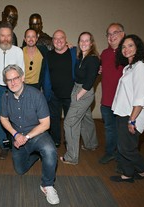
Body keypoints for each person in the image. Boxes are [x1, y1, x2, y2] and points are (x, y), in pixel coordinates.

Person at [0, 64, 60, 205]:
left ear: (23, 78)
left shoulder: (37, 95)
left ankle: (47, 185)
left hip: (37, 134)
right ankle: (35, 155)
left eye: (15, 78)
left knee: (50, 150)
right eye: (9, 80)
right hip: (17, 137)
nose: (13, 82)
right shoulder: (6, 96)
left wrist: (26, 137)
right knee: (20, 170)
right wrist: (15, 135)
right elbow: (3, 118)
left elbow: (46, 124)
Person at [99, 23, 144, 166]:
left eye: (115, 33)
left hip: (127, 107)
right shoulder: (105, 54)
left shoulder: (132, 57)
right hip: (108, 102)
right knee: (110, 130)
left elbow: (142, 68)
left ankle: (124, 160)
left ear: (123, 34)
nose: (112, 36)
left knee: (124, 138)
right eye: (109, 34)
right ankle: (111, 153)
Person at [110, 34, 144, 183]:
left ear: (137, 48)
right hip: (122, 113)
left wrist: (132, 120)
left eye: (130, 45)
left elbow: (141, 97)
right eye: (123, 46)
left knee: (127, 148)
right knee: (122, 146)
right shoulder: (129, 67)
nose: (126, 49)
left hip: (131, 114)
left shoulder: (141, 66)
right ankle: (127, 174)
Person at [0, 22, 24, 159]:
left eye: (8, 36)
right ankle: (4, 145)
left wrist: (19, 88)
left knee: (15, 117)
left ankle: (17, 144)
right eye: (3, 36)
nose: (5, 39)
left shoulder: (18, 51)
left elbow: (22, 71)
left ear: (12, 37)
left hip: (14, 88)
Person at [61, 32, 99, 165]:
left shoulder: (93, 59)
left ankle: (71, 156)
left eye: (87, 41)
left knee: (70, 123)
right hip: (77, 88)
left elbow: (89, 82)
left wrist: (78, 96)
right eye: (81, 41)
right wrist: (71, 47)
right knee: (85, 117)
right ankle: (91, 144)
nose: (84, 43)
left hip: (84, 92)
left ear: (91, 43)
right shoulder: (81, 56)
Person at [43, 30, 77, 147]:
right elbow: (46, 74)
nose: (58, 41)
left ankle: (69, 142)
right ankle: (55, 140)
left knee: (70, 121)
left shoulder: (74, 52)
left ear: (65, 39)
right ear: (52, 41)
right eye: (56, 39)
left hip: (71, 94)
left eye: (61, 38)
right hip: (54, 94)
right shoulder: (48, 55)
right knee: (54, 120)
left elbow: (89, 60)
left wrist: (98, 68)